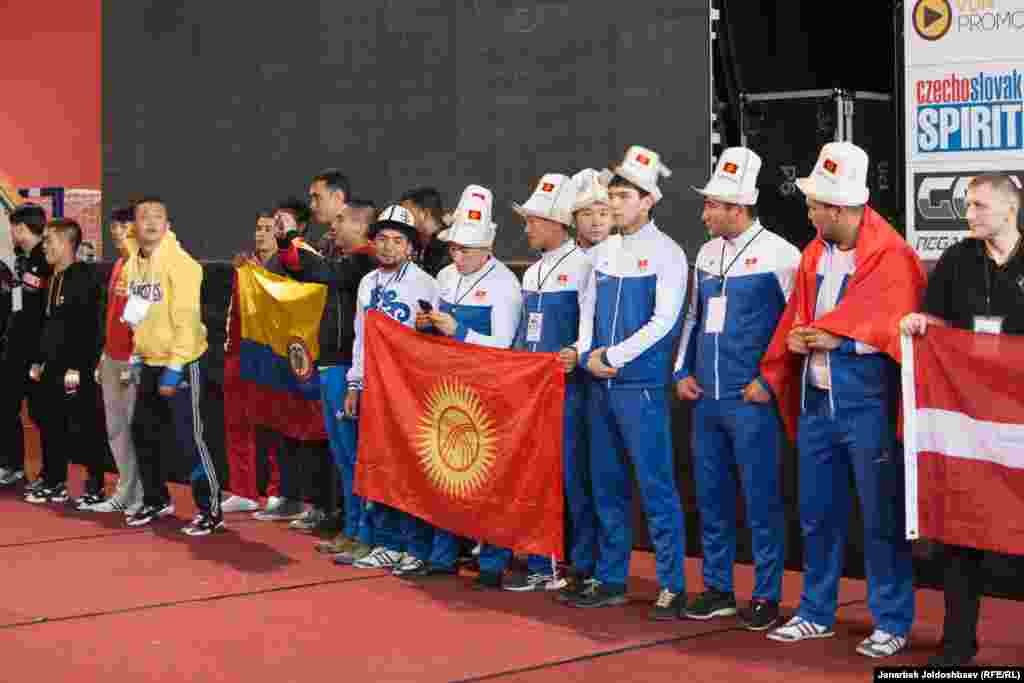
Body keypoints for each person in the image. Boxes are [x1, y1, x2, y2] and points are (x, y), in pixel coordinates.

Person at [761, 142, 925, 658]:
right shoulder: (815, 253)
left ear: (838, 210)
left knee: (881, 519)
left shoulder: (893, 255)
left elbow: (902, 332)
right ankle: (815, 612)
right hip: (817, 402)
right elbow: (802, 314)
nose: (808, 213)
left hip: (868, 406)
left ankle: (892, 621)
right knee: (817, 515)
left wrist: (843, 341)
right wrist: (797, 339)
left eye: (814, 207)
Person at [900, 173, 1024, 667]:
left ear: (1010, 209)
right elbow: (938, 321)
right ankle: (956, 647)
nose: (969, 215)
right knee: (961, 532)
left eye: (979, 206)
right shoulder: (956, 259)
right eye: (967, 206)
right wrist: (920, 325)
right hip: (970, 419)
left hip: (1019, 418)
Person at [674, 148, 800, 629]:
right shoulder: (706, 253)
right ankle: (718, 588)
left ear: (738, 208)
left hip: (751, 401)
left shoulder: (783, 255)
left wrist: (771, 381)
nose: (704, 214)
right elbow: (693, 316)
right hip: (706, 398)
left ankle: (766, 594)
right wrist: (681, 370)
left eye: (712, 206)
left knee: (761, 499)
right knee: (711, 498)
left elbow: (795, 324)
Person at [572, 145, 688, 621]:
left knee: (656, 486)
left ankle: (673, 584)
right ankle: (611, 577)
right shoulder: (602, 252)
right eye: (612, 196)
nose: (614, 204)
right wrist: (586, 354)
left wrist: (613, 357)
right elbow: (586, 310)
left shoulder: (669, 253)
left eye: (624, 197)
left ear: (649, 201)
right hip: (599, 384)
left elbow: (665, 321)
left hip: (640, 386)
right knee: (606, 485)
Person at [479, 173, 596, 594]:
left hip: (568, 390)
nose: (526, 228)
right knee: (532, 475)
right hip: (531, 391)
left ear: (553, 223)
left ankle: (578, 564)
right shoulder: (533, 273)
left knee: (570, 479)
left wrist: (575, 353)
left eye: (532, 221)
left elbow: (590, 328)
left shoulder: (584, 266)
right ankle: (540, 559)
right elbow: (522, 334)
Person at [406, 185, 523, 582]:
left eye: (467, 251)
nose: (458, 257)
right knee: (444, 470)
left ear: (487, 247)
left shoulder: (505, 283)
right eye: (455, 249)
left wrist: (458, 330)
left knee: (489, 476)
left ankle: (492, 560)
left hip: (487, 389)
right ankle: (443, 554)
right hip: (448, 386)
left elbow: (504, 344)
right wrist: (427, 324)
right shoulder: (444, 275)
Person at [276, 178, 378, 562]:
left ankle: (364, 531)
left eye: (342, 220)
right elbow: (308, 271)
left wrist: (292, 240)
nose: (333, 226)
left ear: (362, 226)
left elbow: (322, 271)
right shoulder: (345, 261)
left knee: (353, 455)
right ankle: (351, 528)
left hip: (348, 367)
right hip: (332, 362)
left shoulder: (364, 261)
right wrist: (288, 244)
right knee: (341, 454)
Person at [343, 205, 439, 573]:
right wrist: (355, 383)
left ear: (411, 247)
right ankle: (387, 542)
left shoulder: (425, 284)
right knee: (378, 467)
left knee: (410, 469)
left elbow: (433, 341)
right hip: (374, 387)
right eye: (382, 238)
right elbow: (360, 337)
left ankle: (415, 546)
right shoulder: (367, 282)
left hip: (409, 389)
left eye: (397, 240)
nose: (387, 246)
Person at [123, 197, 220, 536]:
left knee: (191, 439)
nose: (151, 222)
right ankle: (156, 500)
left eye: (158, 216)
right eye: (144, 217)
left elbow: (187, 322)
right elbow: (137, 315)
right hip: (150, 362)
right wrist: (137, 356)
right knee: (143, 433)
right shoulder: (133, 265)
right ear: (135, 225)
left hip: (183, 361)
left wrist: (175, 368)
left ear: (167, 224)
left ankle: (210, 510)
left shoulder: (182, 264)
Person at [25, 219, 105, 506]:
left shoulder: (84, 277)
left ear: (67, 243)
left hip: (76, 368)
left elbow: (88, 327)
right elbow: (49, 326)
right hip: (51, 365)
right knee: (50, 423)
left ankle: (95, 486)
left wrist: (78, 366)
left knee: (84, 426)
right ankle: (54, 481)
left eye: (50, 240)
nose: (45, 245)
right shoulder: (52, 277)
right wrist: (39, 360)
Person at [220, 212, 283, 514]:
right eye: (258, 228)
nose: (261, 234)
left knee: (272, 426)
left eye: (268, 229)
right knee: (236, 423)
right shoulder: (243, 267)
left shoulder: (285, 269)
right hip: (237, 352)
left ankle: (276, 491)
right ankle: (242, 490)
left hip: (269, 356)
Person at [89, 207, 145, 514]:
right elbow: (112, 314)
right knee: (116, 429)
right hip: (112, 356)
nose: (116, 232)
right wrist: (104, 353)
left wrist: (136, 357)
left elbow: (146, 316)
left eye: (123, 226)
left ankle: (140, 495)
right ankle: (126, 490)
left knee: (133, 429)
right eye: (114, 227)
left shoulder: (144, 266)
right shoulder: (119, 265)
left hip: (132, 359)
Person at [0, 204, 50, 490]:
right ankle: (12, 466)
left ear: (20, 228)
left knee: (41, 413)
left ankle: (50, 475)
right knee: (7, 407)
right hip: (15, 348)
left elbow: (45, 311)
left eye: (13, 228)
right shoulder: (21, 260)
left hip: (37, 352)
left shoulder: (46, 260)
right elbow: (17, 304)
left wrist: (42, 354)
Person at [399, 187, 451, 276]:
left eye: (407, 213)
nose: (402, 219)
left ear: (425, 213)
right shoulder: (415, 242)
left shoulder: (450, 246)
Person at [571, 169, 615, 252]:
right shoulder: (560, 258)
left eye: (603, 214)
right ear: (574, 220)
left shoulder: (630, 255)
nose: (596, 223)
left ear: (613, 219)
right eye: (587, 214)